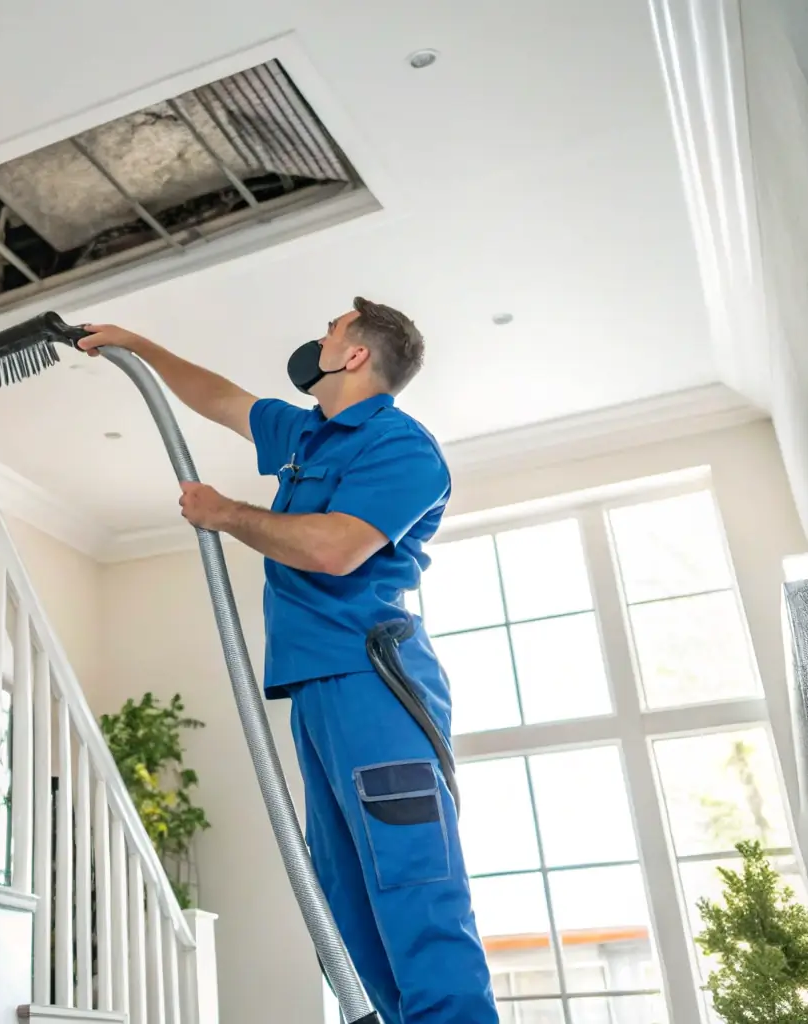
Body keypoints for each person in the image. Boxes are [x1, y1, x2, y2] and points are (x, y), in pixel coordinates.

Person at [80, 300, 498, 1024]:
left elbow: (333, 549)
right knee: (345, 909)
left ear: (357, 355)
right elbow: (221, 397)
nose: (320, 337)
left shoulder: (399, 446)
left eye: (333, 329)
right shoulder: (311, 434)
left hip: (373, 683)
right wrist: (136, 343)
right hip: (316, 688)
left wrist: (228, 515)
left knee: (412, 891)